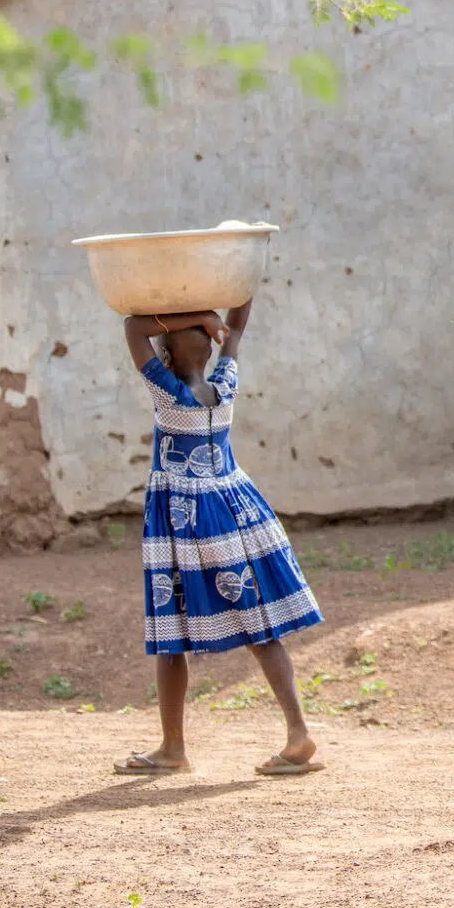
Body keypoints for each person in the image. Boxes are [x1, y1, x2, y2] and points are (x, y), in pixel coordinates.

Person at [114, 298, 325, 777]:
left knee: (171, 636)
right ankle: (298, 732)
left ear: (164, 357)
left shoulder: (168, 393)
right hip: (236, 512)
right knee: (262, 627)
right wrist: (238, 290)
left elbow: (133, 326)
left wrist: (197, 320)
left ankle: (173, 748)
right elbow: (240, 324)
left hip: (183, 523)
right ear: (212, 351)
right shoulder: (223, 386)